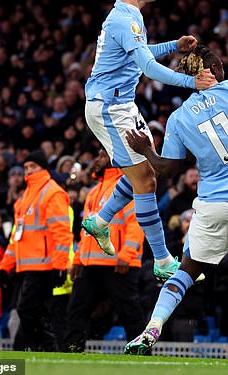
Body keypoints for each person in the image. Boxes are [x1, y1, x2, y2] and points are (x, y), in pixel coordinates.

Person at [123, 30, 228, 360]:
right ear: (212, 68)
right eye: (221, 64)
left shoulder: (178, 118)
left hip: (211, 205)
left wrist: (145, 150)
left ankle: (152, 327)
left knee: (186, 270)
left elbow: (167, 169)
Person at [82, 0, 217, 281]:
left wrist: (174, 45)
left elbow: (139, 53)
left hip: (123, 105)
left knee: (147, 171)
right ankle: (161, 260)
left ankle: (100, 221)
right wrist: (191, 83)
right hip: (109, 108)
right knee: (147, 180)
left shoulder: (130, 16)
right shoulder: (123, 20)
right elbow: (147, 68)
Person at [64, 149, 145, 352]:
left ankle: (143, 353)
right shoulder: (93, 191)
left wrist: (127, 255)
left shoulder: (127, 185)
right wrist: (78, 260)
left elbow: (137, 223)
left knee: (130, 313)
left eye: (101, 155)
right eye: (97, 155)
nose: (97, 159)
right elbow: (87, 231)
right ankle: (73, 351)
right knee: (76, 310)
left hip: (119, 263)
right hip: (91, 264)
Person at [0, 150, 73, 351]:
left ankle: (48, 346)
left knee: (27, 311)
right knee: (33, 312)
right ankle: (38, 350)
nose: (29, 170)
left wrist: (59, 265)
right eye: (26, 167)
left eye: (33, 166)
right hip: (27, 266)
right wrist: (5, 267)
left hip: (44, 266)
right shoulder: (25, 198)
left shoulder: (52, 193)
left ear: (43, 168)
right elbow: (17, 238)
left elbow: (62, 232)